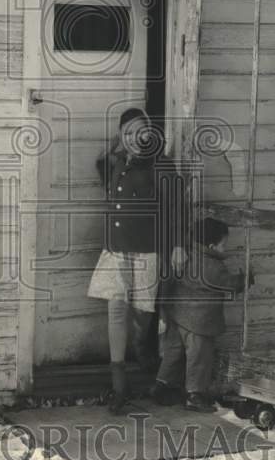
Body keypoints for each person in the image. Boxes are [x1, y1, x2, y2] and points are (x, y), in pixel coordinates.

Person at [87, 107, 185, 414]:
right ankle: (120, 386)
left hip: (148, 250)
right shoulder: (115, 163)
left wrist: (179, 245)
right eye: (127, 133)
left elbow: (177, 209)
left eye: (140, 131)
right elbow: (101, 162)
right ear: (120, 136)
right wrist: (117, 145)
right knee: (116, 309)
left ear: (150, 134)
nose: (134, 138)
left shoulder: (162, 166)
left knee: (144, 314)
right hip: (117, 249)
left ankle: (145, 354)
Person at [152, 217, 245, 412]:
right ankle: (194, 395)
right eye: (223, 245)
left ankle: (161, 386)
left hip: (177, 316)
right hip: (198, 323)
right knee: (199, 359)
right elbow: (229, 284)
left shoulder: (186, 256)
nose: (224, 249)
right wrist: (245, 279)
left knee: (173, 355)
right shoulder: (212, 266)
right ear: (211, 245)